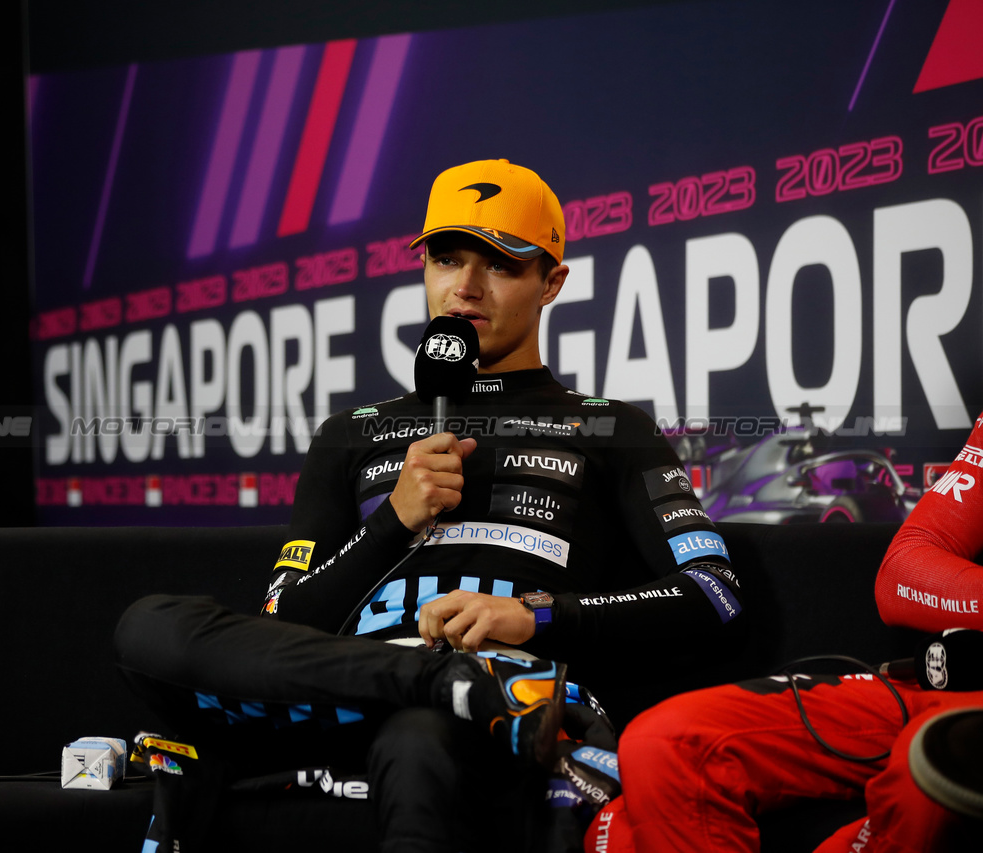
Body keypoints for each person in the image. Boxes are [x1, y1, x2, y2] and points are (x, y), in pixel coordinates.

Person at [115, 159, 747, 853]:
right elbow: (284, 622)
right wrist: (393, 522)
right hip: (347, 690)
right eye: (446, 259)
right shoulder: (352, 432)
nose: (465, 289)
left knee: (420, 735)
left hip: (494, 713)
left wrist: (534, 615)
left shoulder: (610, 428)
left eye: (500, 265)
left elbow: (712, 593)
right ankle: (447, 682)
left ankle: (472, 691)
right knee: (148, 627)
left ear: (551, 283)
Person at [591, 414, 983, 853]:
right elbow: (901, 577)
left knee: (930, 774)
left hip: (956, 725)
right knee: (666, 743)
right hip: (945, 679)